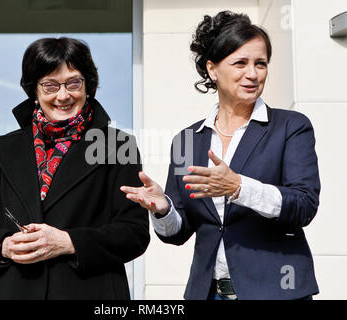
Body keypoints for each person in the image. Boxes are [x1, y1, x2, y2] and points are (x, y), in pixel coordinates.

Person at [121, 11, 320, 300]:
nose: (252, 73)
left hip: (277, 291)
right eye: (240, 63)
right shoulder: (187, 140)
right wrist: (163, 209)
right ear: (212, 69)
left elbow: (304, 205)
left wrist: (239, 187)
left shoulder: (291, 127)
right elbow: (178, 232)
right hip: (207, 293)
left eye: (260, 64)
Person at [0, 37, 150, 299]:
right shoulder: (5, 149)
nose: (63, 95)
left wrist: (68, 243)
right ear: (35, 91)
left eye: (74, 82)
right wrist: (5, 245)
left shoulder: (117, 146)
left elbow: (134, 233)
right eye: (50, 85)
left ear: (88, 86)